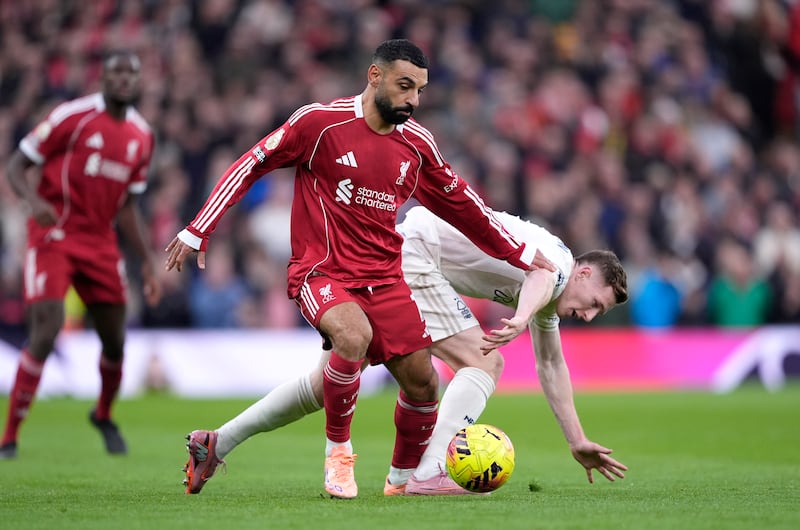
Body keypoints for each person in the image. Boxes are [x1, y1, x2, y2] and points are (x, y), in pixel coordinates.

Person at [165, 39, 552, 499]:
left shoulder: (417, 145)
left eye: (420, 91)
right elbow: (253, 162)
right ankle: (338, 454)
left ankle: (403, 483)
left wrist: (522, 256)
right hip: (321, 269)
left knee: (423, 383)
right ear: (374, 76)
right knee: (352, 336)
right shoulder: (320, 124)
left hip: (385, 278)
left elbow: (464, 206)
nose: (413, 100)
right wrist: (198, 228)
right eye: (405, 86)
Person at [178, 206, 629, 495]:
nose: (588, 316)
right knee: (485, 360)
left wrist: (576, 440)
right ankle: (427, 471)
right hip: (415, 252)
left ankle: (218, 441)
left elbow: (551, 363)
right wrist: (520, 317)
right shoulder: (559, 264)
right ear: (586, 274)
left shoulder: (553, 296)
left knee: (326, 383)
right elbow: (536, 276)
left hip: (400, 253)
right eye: (594, 305)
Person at [0, 50, 162, 460]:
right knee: (48, 325)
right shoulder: (70, 117)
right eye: (116, 72)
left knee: (115, 340)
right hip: (54, 232)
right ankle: (10, 437)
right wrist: (34, 202)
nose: (124, 79)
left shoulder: (142, 137)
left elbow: (127, 205)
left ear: (138, 82)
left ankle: (103, 415)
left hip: (100, 242)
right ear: (103, 78)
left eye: (131, 72)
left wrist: (145, 261)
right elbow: (17, 166)